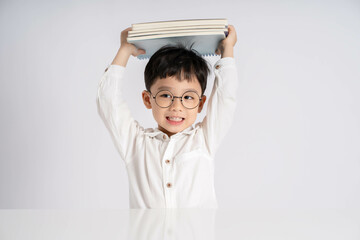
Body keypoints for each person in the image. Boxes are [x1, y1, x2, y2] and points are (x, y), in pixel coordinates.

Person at [97, 25, 238, 208]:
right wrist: (124, 50)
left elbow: (225, 97)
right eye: (166, 95)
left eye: (188, 97)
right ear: (148, 99)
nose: (176, 107)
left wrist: (228, 51)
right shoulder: (135, 143)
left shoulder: (204, 140)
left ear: (200, 104)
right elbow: (108, 101)